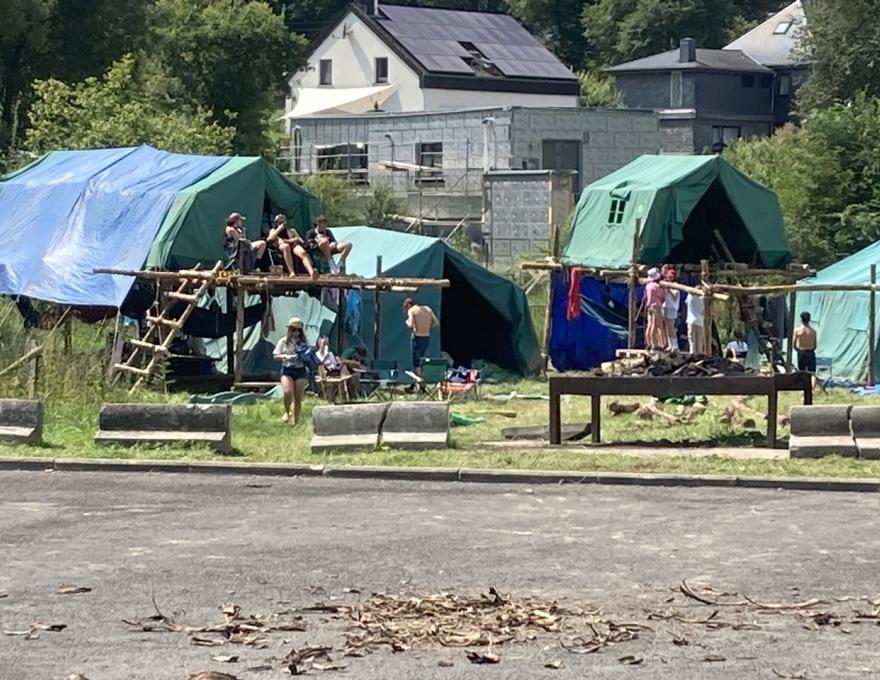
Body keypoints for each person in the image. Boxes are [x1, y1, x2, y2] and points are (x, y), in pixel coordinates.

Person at [273, 317, 314, 424]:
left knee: (298, 397)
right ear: (289, 330)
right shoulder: (283, 341)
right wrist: (286, 356)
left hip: (300, 370)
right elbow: (275, 355)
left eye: (298, 330)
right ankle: (287, 412)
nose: (296, 333)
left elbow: (309, 355)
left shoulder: (304, 342)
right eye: (293, 330)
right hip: (287, 370)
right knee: (287, 392)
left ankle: (296, 421)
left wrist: (304, 356)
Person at [267, 214, 318, 279]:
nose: (282, 223)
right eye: (280, 222)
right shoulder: (273, 230)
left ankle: (312, 272)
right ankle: (292, 272)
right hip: (282, 245)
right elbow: (269, 239)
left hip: (293, 244)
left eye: (283, 221)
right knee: (286, 247)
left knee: (302, 252)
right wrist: (279, 229)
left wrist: (291, 239)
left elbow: (300, 240)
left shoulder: (292, 230)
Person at [403, 298, 439, 385]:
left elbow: (410, 324)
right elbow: (436, 323)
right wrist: (427, 327)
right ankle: (414, 384)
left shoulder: (412, 310)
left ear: (408, 305)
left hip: (417, 337)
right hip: (426, 337)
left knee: (416, 361)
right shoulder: (427, 309)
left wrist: (406, 321)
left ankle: (420, 383)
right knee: (421, 360)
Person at [644, 267, 666, 350]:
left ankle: (649, 342)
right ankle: (660, 344)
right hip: (656, 306)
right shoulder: (657, 286)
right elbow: (662, 296)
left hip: (649, 306)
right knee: (658, 325)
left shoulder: (648, 286)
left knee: (650, 325)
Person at [661, 265, 680, 351]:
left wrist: (669, 290)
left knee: (671, 327)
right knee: (667, 327)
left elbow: (675, 297)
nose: (670, 278)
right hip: (666, 306)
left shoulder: (675, 285)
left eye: (671, 276)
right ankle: (670, 344)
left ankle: (675, 345)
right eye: (669, 276)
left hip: (672, 307)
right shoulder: (665, 284)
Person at [793, 311, 817, 375]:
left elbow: (794, 345)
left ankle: (803, 381)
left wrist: (799, 350)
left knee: (802, 372)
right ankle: (812, 382)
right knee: (812, 373)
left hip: (802, 352)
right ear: (809, 319)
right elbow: (815, 346)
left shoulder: (797, 330)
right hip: (810, 352)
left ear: (801, 319)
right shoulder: (813, 331)